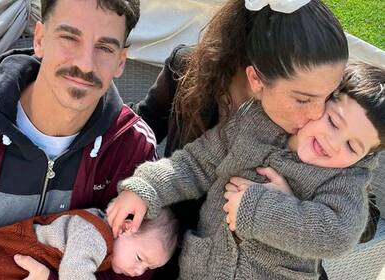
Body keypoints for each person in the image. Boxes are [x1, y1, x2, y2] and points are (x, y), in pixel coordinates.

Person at [128, 0, 357, 279]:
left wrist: (289, 209)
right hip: (184, 256)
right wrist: (144, 194)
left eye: (328, 96)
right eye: (302, 99)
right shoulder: (186, 70)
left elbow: (359, 214)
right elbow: (137, 131)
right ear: (257, 78)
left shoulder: (321, 116)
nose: (318, 113)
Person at [108, 61, 385, 280]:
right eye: (334, 122)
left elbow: (338, 235)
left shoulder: (345, 178)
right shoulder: (255, 122)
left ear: (364, 157)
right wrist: (147, 188)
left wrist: (266, 208)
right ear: (320, 99)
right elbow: (195, 163)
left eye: (352, 147)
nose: (333, 144)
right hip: (203, 268)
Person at [0, 0, 156, 279]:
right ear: (40, 39)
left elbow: (135, 268)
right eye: (69, 38)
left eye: (104, 47)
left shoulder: (132, 150)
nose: (84, 63)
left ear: (121, 61)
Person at [0, 208, 178, 279]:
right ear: (124, 228)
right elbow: (74, 274)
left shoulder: (103, 241)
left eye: (148, 268)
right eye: (140, 259)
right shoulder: (94, 234)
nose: (140, 271)